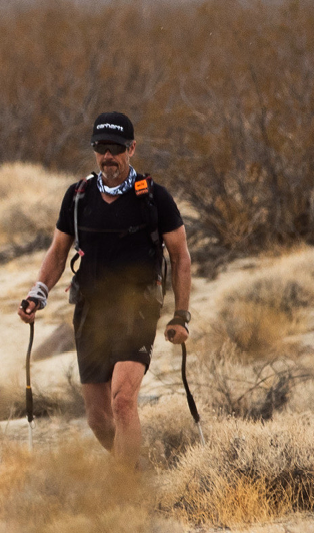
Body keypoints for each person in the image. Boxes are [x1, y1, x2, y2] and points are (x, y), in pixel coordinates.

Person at [17, 112, 192, 467]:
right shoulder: (78, 197)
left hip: (137, 309)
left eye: (116, 148)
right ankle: (135, 469)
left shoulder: (154, 197)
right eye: (101, 148)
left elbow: (180, 256)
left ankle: (126, 493)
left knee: (123, 401)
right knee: (98, 418)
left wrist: (181, 315)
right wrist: (39, 292)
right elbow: (58, 251)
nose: (108, 156)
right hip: (90, 311)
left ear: (131, 149)